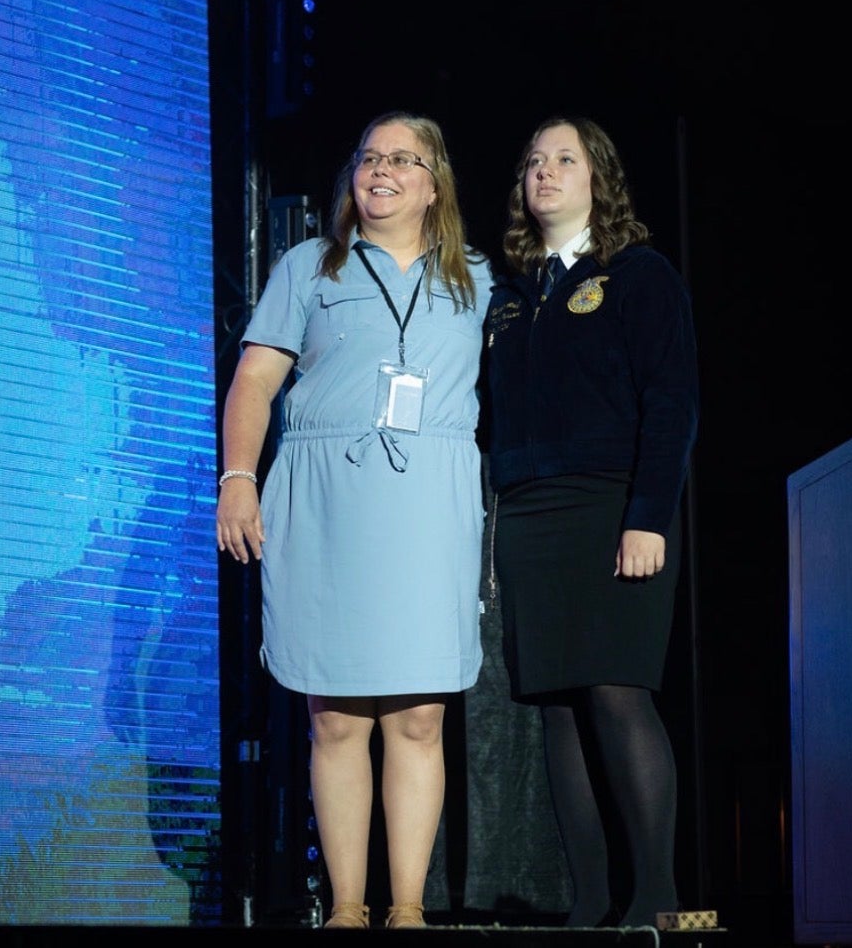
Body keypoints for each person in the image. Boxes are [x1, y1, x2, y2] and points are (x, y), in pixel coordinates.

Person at [216, 111, 493, 930]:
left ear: (432, 181)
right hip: (326, 498)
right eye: (369, 157)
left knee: (418, 713)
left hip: (427, 501)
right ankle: (344, 908)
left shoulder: (475, 277)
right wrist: (238, 478)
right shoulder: (309, 266)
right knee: (334, 714)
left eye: (401, 159)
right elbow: (255, 381)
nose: (380, 170)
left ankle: (405, 909)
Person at [481, 115, 699, 929]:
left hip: (613, 506)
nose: (544, 172)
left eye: (563, 159)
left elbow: (671, 406)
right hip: (530, 515)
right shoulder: (507, 294)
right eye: (533, 160)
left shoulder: (637, 276)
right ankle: (589, 902)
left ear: (598, 177)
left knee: (615, 691)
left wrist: (648, 518)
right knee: (558, 709)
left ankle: (653, 899)